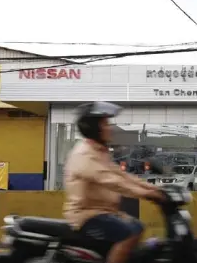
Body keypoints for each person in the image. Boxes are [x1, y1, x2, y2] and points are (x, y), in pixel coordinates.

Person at [63, 102, 165, 263]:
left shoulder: (99, 151)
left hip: (104, 212)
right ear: (93, 128)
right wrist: (149, 194)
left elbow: (123, 176)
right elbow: (113, 182)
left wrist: (155, 188)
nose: (109, 128)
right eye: (105, 123)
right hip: (87, 216)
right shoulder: (85, 154)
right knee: (128, 233)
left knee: (138, 227)